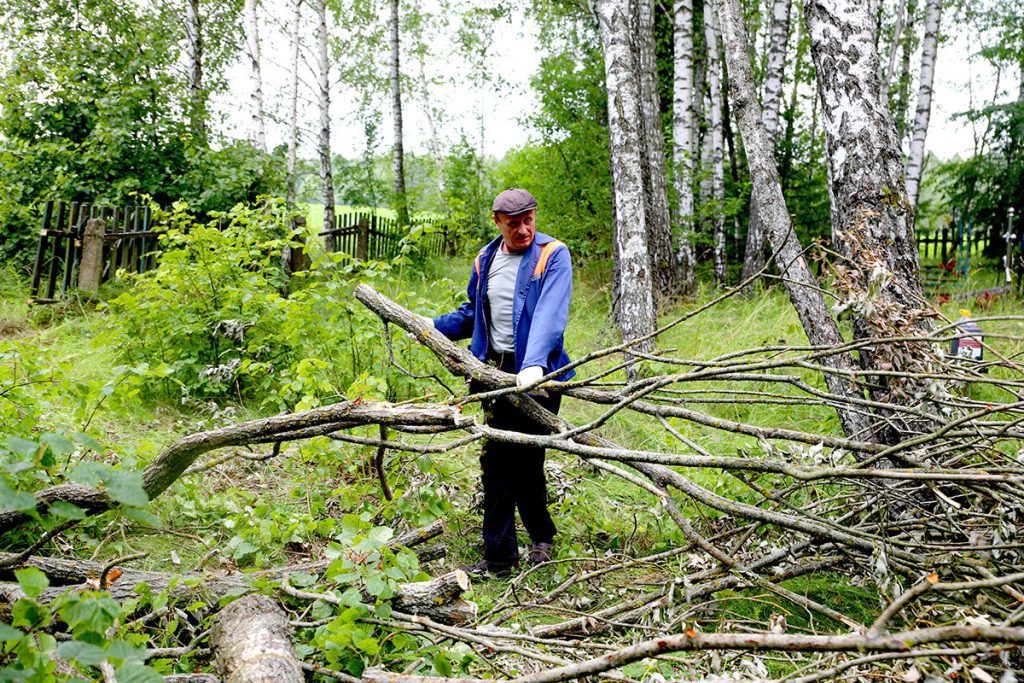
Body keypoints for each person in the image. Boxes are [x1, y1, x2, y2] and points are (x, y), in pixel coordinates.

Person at [427, 188, 575, 575]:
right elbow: (473, 313)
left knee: (528, 460)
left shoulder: (552, 255)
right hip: (494, 374)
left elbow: (549, 315)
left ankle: (541, 537)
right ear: (498, 222)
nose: (524, 229)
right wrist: (432, 327)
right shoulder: (485, 259)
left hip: (540, 377)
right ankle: (500, 557)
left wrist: (534, 365)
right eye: (515, 224)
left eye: (529, 220)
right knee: (496, 463)